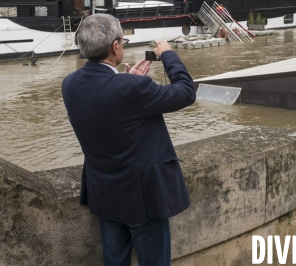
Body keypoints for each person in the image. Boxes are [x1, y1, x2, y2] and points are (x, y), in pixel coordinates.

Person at [62, 14, 196, 266]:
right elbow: (186, 92)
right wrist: (168, 54)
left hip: (104, 194)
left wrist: (128, 81)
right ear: (115, 47)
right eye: (122, 41)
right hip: (142, 199)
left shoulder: (69, 84)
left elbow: (110, 107)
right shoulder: (131, 89)